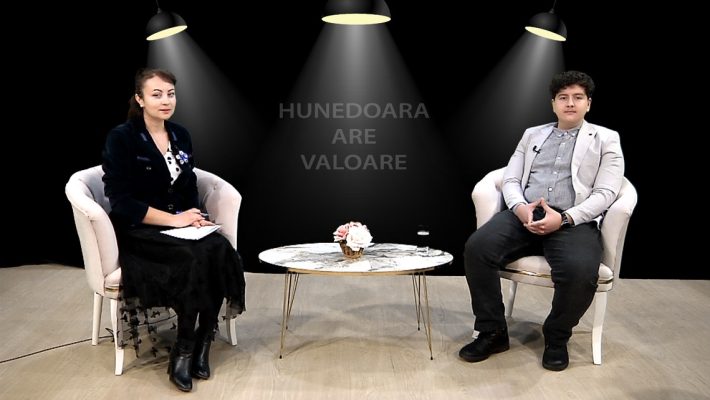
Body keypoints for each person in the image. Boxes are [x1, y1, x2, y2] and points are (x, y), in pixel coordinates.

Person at [459, 71, 624, 371]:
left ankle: (557, 337)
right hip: (525, 214)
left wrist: (565, 218)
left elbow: (606, 193)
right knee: (477, 248)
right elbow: (511, 179)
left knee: (580, 271)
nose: (570, 103)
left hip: (573, 220)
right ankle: (492, 331)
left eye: (578, 97)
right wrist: (520, 208)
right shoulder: (532, 134)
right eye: (563, 97)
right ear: (553, 104)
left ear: (588, 103)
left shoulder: (606, 139)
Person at [102, 68, 246, 391]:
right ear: (140, 99)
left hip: (180, 226)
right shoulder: (122, 138)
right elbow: (122, 202)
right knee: (193, 258)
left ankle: (204, 340)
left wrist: (195, 216)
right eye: (156, 94)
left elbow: (188, 184)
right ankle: (183, 348)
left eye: (170, 94)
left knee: (218, 248)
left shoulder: (180, 134)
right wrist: (174, 220)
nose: (166, 100)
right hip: (141, 231)